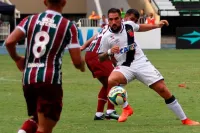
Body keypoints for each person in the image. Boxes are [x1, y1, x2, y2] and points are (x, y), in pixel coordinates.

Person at [98, 8, 199, 125]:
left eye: (116, 19)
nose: (114, 22)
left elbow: (141, 27)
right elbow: (100, 57)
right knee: (111, 80)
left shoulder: (129, 26)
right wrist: (109, 51)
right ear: (108, 20)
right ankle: (126, 108)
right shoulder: (106, 37)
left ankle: (185, 120)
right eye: (111, 19)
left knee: (162, 89)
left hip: (141, 63)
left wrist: (156, 26)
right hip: (124, 66)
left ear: (121, 19)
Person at [5, 0, 85, 133]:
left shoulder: (30, 20)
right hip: (50, 80)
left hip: (28, 79)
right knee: (45, 127)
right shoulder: (68, 26)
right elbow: (77, 61)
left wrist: (17, 58)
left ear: (45, 2)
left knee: (37, 118)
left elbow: (9, 42)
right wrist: (82, 65)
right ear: (64, 2)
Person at [80, 8, 141, 121]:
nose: (133, 22)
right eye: (131, 19)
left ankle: (99, 114)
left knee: (107, 84)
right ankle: (110, 111)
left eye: (135, 20)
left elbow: (95, 36)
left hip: (90, 55)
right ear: (125, 17)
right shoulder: (115, 28)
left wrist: (84, 46)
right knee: (114, 81)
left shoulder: (110, 27)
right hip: (97, 55)